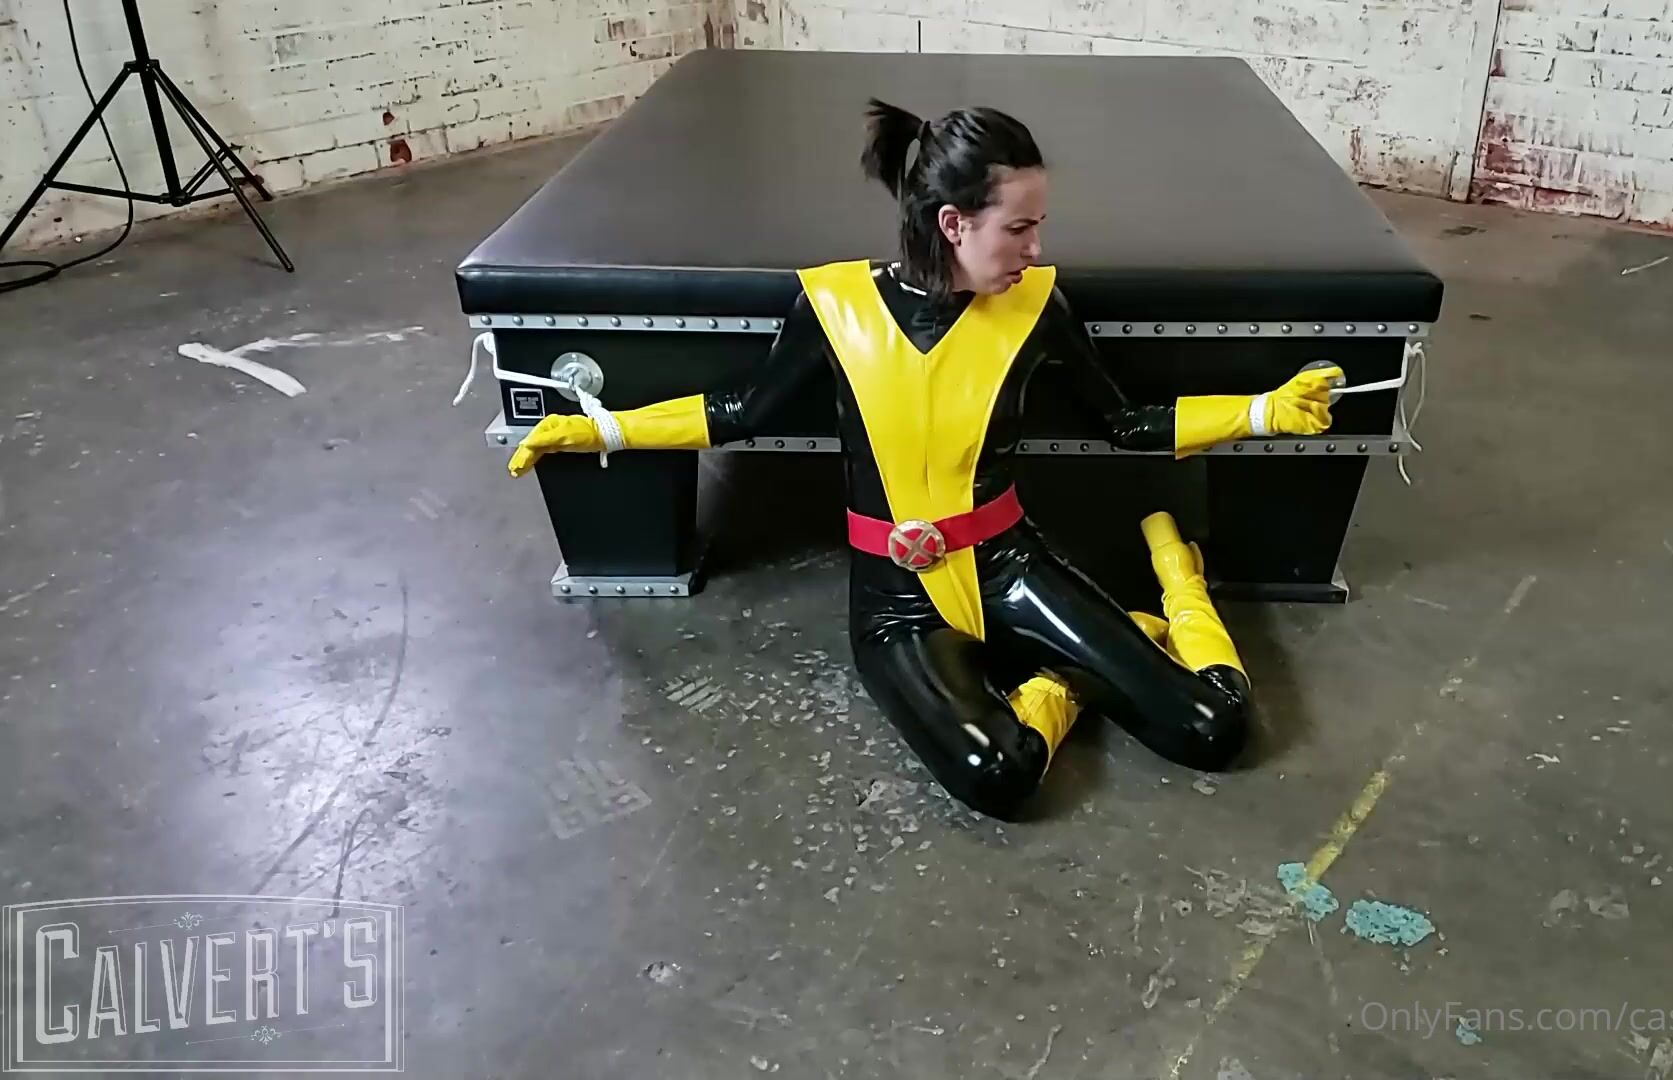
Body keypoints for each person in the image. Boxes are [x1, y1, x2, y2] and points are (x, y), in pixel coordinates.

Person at [505, 99, 1343, 819]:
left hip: (1012, 567)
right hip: (898, 602)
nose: (1036, 249)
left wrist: (1261, 411)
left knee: (1214, 727)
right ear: (953, 223)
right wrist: (596, 431)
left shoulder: (1037, 307)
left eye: (1038, 226)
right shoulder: (833, 305)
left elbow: (1124, 422)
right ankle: (1065, 682)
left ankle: (1178, 581)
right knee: (998, 774)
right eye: (1018, 228)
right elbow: (739, 413)